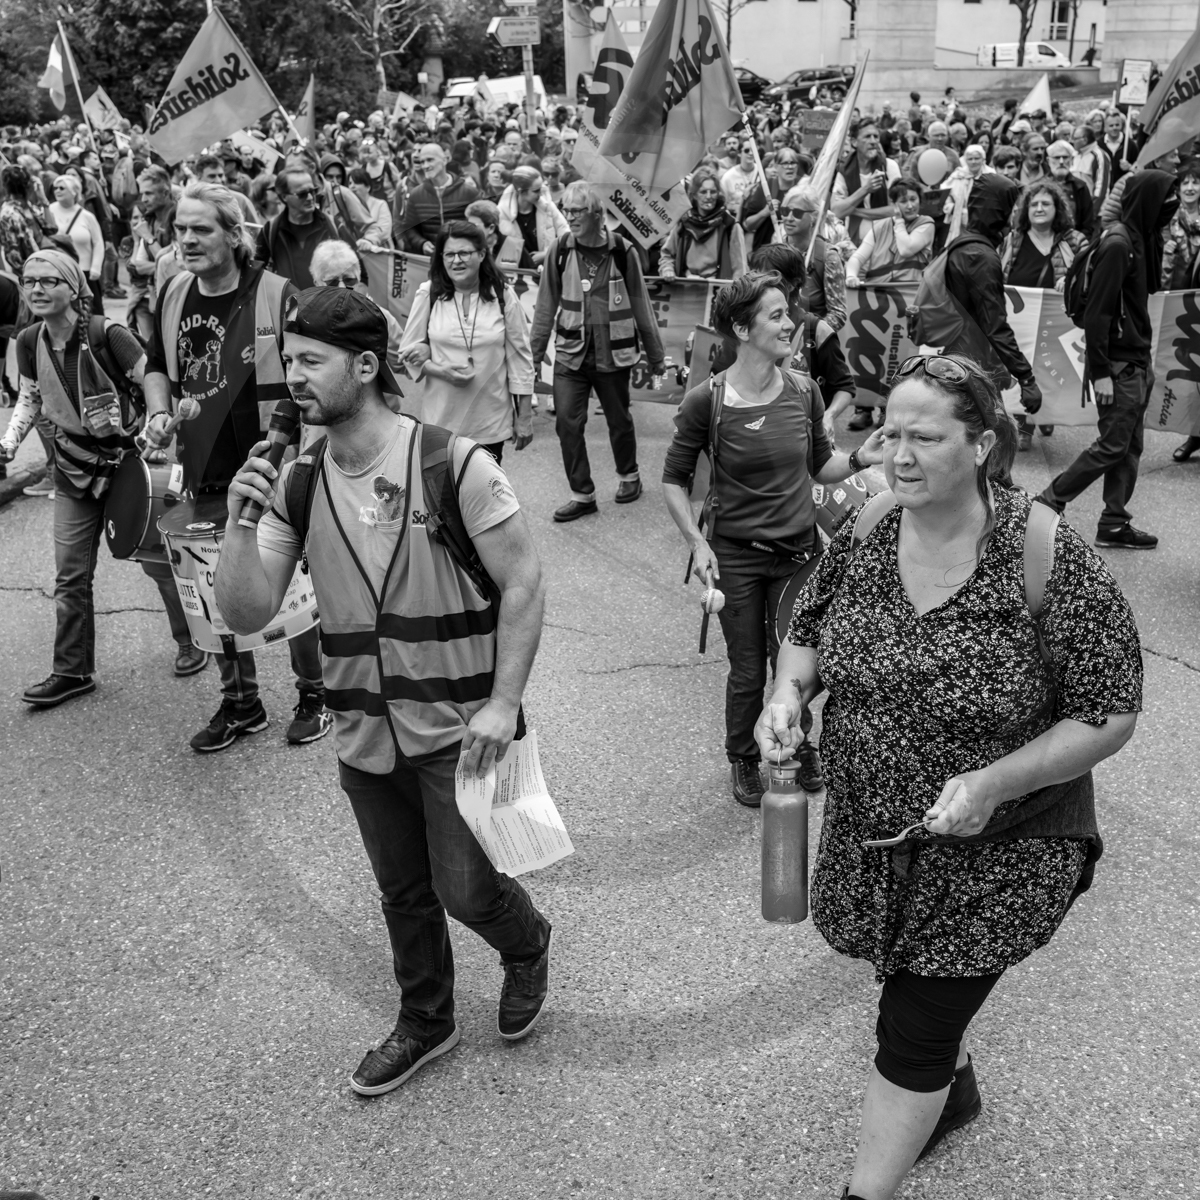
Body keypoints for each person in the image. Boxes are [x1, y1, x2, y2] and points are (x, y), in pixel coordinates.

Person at [757, 352, 1141, 1200]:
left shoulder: (1045, 553)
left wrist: (994, 781)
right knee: (903, 976)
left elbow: (1110, 709)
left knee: (912, 1032)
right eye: (888, 432)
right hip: (875, 831)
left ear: (981, 444)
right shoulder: (865, 529)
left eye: (924, 437)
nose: (897, 454)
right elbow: (808, 629)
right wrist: (787, 695)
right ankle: (954, 1094)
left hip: (996, 849)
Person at [215, 286, 553, 1096]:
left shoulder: (452, 461)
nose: (293, 377)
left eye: (310, 362)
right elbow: (248, 611)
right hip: (365, 728)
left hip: (460, 720)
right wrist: (236, 521)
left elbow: (524, 582)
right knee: (402, 891)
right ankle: (425, 1020)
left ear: (365, 367)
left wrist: (504, 703)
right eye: (288, 360)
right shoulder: (295, 484)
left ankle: (526, 940)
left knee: (466, 887)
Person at [662, 272, 886, 807]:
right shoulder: (706, 400)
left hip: (799, 558)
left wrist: (859, 458)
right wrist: (697, 542)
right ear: (742, 328)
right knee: (747, 669)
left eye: (790, 313)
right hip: (736, 557)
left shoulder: (804, 390)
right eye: (777, 315)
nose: (791, 324)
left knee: (798, 661)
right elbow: (673, 480)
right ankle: (742, 756)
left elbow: (820, 467)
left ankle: (797, 740)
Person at [142, 181, 331, 750]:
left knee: (289, 583)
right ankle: (241, 702)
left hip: (273, 464)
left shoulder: (278, 293)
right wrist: (157, 414)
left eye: (201, 228)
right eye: (180, 229)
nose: (188, 239)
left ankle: (314, 693)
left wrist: (302, 462)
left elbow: (312, 373)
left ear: (233, 233)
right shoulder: (174, 291)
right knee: (213, 585)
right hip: (202, 468)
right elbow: (156, 365)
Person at [0, 249, 203, 706]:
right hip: (72, 469)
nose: (36, 289)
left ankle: (191, 640)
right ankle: (72, 671)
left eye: (49, 281)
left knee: (159, 565)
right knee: (70, 576)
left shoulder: (108, 334)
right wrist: (9, 442)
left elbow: (155, 380)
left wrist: (159, 423)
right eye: (29, 281)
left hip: (134, 464)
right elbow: (31, 398)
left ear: (73, 288)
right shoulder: (28, 341)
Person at [1038, 170, 1179, 549]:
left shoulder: (1138, 238)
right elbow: (1098, 314)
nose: (1173, 205)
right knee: (1113, 445)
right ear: (1148, 200)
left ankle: (1114, 523)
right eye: (1167, 197)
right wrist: (1100, 373)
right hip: (1117, 365)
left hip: (1134, 360)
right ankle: (1048, 502)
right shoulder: (1119, 244)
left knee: (1129, 446)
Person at [530, 182, 664, 522]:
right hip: (570, 354)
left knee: (619, 422)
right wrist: (532, 357)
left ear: (597, 215)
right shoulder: (559, 250)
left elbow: (641, 305)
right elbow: (545, 307)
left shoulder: (623, 250)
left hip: (613, 354)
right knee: (567, 423)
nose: (570, 217)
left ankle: (629, 476)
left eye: (577, 211)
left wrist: (657, 355)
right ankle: (582, 495)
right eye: (567, 210)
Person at [397, 221, 534, 461]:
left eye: (464, 253)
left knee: (485, 494)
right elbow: (407, 355)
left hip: (489, 422)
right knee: (444, 495)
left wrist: (524, 417)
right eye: (449, 254)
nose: (456, 260)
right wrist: (438, 369)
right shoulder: (429, 293)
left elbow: (520, 358)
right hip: (441, 422)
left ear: (482, 254)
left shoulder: (502, 294)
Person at [942, 173, 1043, 420]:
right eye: (1011, 206)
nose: (1015, 213)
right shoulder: (981, 257)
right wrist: (1026, 378)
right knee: (986, 441)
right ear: (998, 210)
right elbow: (994, 325)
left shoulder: (964, 243)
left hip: (961, 357)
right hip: (972, 365)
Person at [1000, 180, 1085, 451]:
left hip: (1058, 319)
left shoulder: (1074, 240)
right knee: (1022, 368)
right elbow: (999, 275)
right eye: (1034, 204)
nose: (1039, 208)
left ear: (1057, 208)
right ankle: (1024, 424)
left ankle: (1048, 413)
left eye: (1045, 203)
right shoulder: (1013, 240)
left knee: (1052, 367)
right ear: (1025, 210)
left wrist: (1070, 280)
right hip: (1021, 319)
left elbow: (1089, 273)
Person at [254, 165, 348, 290]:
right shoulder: (270, 230)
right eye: (302, 194)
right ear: (284, 197)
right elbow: (256, 273)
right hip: (288, 307)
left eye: (313, 191)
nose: (310, 198)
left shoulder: (333, 226)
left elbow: (360, 273)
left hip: (328, 307)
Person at [658, 167, 747, 282]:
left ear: (718, 194)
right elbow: (667, 255)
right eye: (703, 192)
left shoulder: (730, 225)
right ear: (694, 195)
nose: (708, 197)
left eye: (713, 192)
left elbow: (740, 270)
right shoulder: (684, 222)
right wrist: (667, 270)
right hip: (685, 289)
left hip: (719, 292)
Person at [778, 185, 846, 332]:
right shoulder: (776, 252)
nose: (788, 218)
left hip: (811, 346)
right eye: (785, 211)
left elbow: (838, 314)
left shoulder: (828, 257)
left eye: (797, 213)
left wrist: (808, 334)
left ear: (814, 216)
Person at [846, 178, 934, 287]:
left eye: (913, 199)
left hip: (910, 294)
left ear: (919, 200)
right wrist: (851, 276)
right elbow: (857, 258)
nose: (910, 206)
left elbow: (905, 250)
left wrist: (899, 221)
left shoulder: (926, 223)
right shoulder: (879, 227)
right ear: (894, 204)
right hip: (878, 295)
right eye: (903, 201)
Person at [397, 143, 480, 255]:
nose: (425, 166)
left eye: (430, 160)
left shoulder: (469, 192)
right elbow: (409, 227)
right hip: (432, 261)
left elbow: (480, 224)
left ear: (445, 160)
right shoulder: (416, 194)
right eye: (422, 162)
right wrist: (422, 244)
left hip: (463, 258)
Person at [125, 166, 176, 343]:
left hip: (174, 299)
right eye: (142, 194)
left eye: (149, 193)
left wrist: (147, 237)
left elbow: (174, 266)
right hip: (147, 298)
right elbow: (137, 266)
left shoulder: (179, 218)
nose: (144, 199)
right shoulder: (148, 218)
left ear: (165, 192)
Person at [833, 120, 901, 246]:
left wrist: (854, 211)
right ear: (854, 142)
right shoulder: (843, 171)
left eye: (876, 136)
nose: (873, 141)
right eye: (867, 136)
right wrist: (865, 189)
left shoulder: (889, 166)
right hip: (854, 244)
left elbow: (896, 209)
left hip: (886, 242)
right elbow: (837, 211)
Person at [47, 174, 104, 313]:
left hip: (84, 273)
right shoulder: (49, 211)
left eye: (62, 188)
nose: (57, 191)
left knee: (91, 312)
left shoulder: (86, 216)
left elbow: (98, 242)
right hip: (58, 272)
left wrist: (95, 268)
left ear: (74, 192)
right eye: (55, 188)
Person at [496, 166, 568, 269]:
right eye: (536, 190)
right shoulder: (502, 212)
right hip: (517, 275)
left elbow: (565, 232)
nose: (541, 193)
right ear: (521, 191)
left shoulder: (547, 206)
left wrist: (546, 253)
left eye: (541, 188)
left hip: (546, 269)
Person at [740, 148, 808, 251]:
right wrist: (765, 212)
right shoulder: (766, 187)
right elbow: (748, 225)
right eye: (785, 163)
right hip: (767, 253)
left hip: (796, 252)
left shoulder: (804, 186)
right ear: (776, 166)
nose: (789, 167)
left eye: (793, 163)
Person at [0, 165, 47, 275]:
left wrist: (43, 199)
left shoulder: (29, 206)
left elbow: (51, 229)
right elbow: (15, 259)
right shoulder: (9, 215)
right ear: (29, 185)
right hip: (36, 274)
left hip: (47, 268)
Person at [1046, 141, 1095, 236]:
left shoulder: (1080, 186)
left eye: (1065, 157)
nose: (1061, 162)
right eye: (1056, 157)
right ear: (1048, 161)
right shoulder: (1040, 186)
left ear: (1072, 159)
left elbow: (1088, 223)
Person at [720, 139, 759, 221]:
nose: (751, 153)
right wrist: (733, 207)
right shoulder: (728, 177)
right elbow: (722, 204)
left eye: (754, 150)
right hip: (736, 219)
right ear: (739, 153)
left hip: (756, 219)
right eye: (747, 150)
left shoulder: (761, 172)